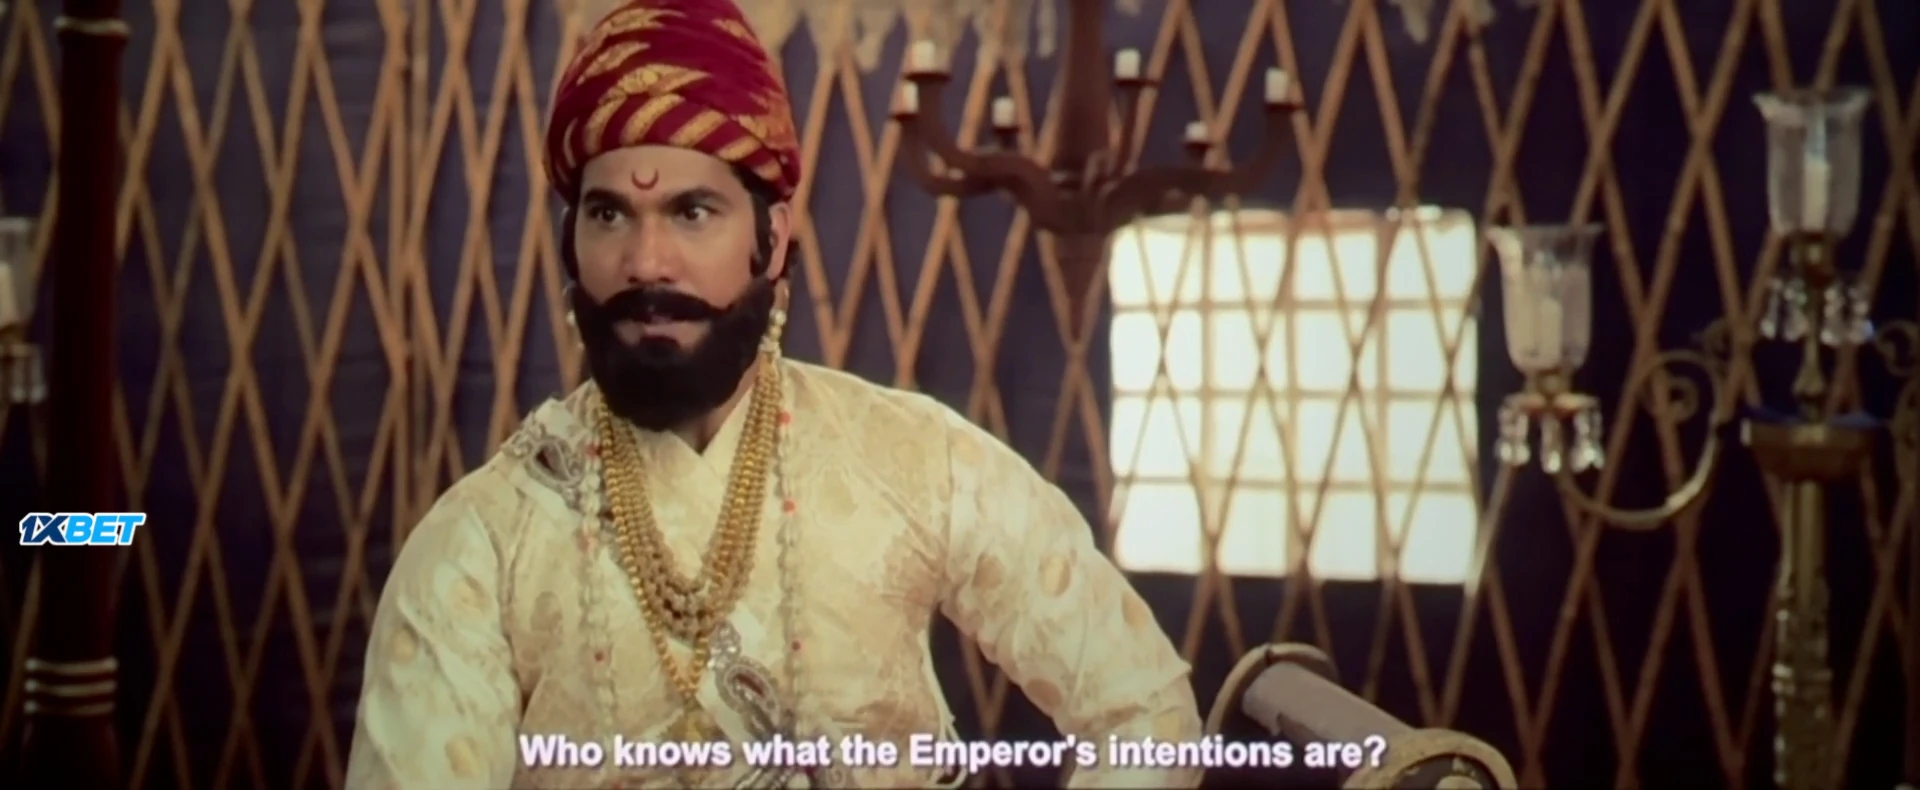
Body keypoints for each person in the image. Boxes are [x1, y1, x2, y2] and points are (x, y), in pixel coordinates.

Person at [343, 0, 1201, 786]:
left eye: (692, 213)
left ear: (773, 237)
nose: (647, 263)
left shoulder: (916, 462)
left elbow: (1145, 712)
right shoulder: (482, 543)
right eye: (608, 215)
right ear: (572, 244)